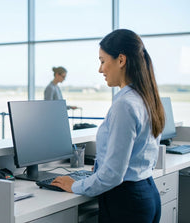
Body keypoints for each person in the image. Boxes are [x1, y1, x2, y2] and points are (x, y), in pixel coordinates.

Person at [51, 29, 165, 223]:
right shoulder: (146, 96)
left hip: (126, 202)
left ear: (121, 60)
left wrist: (75, 185)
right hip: (147, 192)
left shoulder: (124, 104)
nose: (100, 69)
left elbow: (112, 174)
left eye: (103, 61)